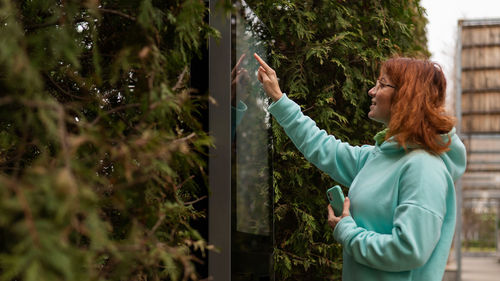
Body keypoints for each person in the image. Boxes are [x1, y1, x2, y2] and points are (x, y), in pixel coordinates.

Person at [253, 53, 466, 281]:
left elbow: (408, 250)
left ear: (406, 96)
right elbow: (323, 147)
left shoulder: (424, 168)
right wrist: (278, 97)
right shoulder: (380, 157)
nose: (371, 91)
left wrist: (347, 231)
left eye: (382, 84)